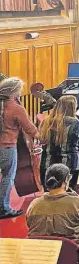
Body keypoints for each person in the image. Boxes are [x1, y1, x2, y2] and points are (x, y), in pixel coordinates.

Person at [0, 77, 38, 219]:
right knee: (7, 178)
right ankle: (3, 208)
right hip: (7, 147)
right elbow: (29, 128)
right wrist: (41, 136)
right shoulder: (15, 108)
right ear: (14, 91)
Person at [38, 96, 79, 188]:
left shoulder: (45, 122)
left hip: (46, 169)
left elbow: (40, 141)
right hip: (70, 170)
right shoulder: (78, 125)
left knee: (51, 198)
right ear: (73, 108)